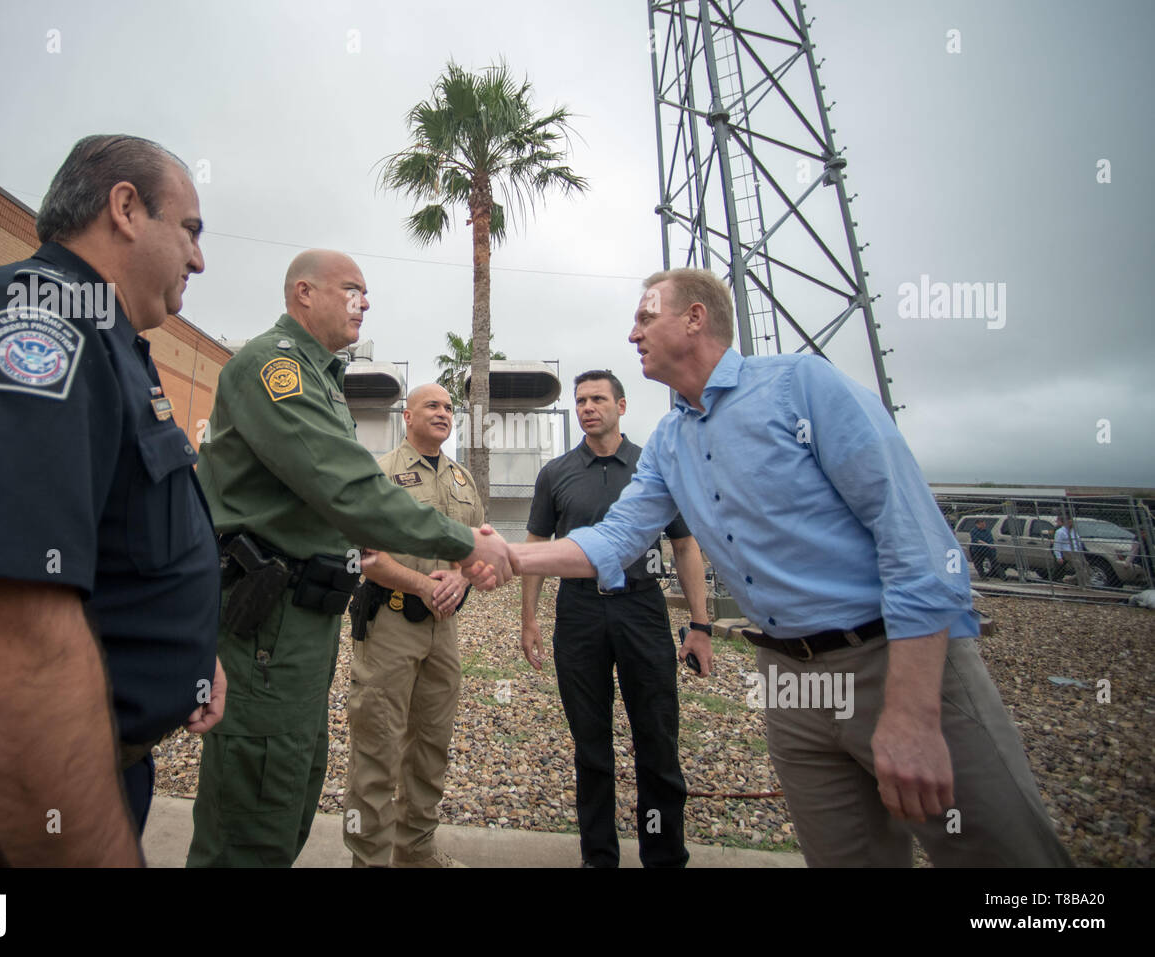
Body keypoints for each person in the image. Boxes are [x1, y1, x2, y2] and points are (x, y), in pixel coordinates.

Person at [489, 267, 1071, 867]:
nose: (632, 333)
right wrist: (508, 555)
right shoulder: (670, 442)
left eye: (645, 317)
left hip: (891, 661)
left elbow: (917, 544)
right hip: (790, 680)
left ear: (695, 317)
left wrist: (913, 712)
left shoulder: (801, 387)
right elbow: (614, 540)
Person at [0, 134, 225, 867]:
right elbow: (8, 644)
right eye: (190, 230)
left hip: (84, 767)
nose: (199, 260)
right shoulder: (32, 327)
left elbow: (114, 544)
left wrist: (185, 648)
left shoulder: (107, 343)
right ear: (125, 207)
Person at [186, 250, 512, 867]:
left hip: (304, 622)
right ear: (303, 294)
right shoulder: (273, 368)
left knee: (291, 788)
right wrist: (469, 543)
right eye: (353, 290)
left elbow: (338, 497)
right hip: (267, 623)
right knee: (255, 807)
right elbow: (349, 489)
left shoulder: (321, 377)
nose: (366, 302)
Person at [521, 369, 712, 868]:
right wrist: (529, 619)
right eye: (581, 400)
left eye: (599, 399)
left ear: (621, 406)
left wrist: (701, 624)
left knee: (657, 737)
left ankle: (664, 855)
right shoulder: (556, 473)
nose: (588, 407)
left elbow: (686, 546)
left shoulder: (654, 467)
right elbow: (537, 548)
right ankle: (598, 856)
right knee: (591, 744)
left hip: (641, 608)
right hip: (579, 611)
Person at [342, 383, 482, 868]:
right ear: (407, 416)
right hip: (391, 625)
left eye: (448, 408)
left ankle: (415, 851)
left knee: (431, 747)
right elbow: (366, 557)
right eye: (432, 406)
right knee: (377, 749)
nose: (443, 413)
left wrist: (461, 579)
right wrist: (422, 585)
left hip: (444, 632)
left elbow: (477, 550)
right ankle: (369, 859)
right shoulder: (381, 474)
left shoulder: (463, 480)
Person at [1051, 515, 1089, 585]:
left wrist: (1082, 550)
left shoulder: (1073, 531)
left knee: (1087, 567)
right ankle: (1085, 584)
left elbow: (1078, 542)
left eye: (1071, 522)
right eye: (1069, 522)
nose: (1071, 524)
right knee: (1080, 568)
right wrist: (1058, 557)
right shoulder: (1060, 532)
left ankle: (1068, 579)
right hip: (1068, 552)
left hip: (1077, 551)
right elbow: (1057, 545)